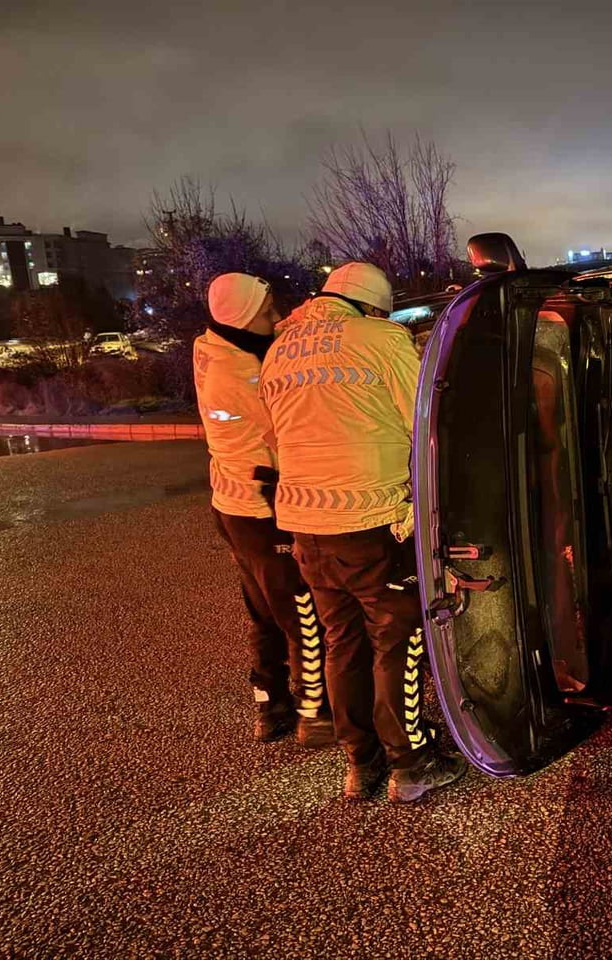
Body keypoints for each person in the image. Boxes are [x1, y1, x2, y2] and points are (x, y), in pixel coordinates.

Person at [259, 261, 466, 802]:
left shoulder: (281, 349)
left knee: (341, 641)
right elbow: (423, 419)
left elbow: (272, 434)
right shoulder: (381, 337)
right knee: (397, 641)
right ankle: (412, 764)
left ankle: (361, 763)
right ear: (373, 306)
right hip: (373, 519)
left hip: (306, 523)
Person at [194, 273, 333, 746]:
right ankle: (315, 712)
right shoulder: (238, 375)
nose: (276, 316)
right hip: (261, 507)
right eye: (269, 308)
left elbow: (274, 334)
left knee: (264, 612)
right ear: (244, 314)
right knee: (300, 610)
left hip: (233, 506)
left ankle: (270, 706)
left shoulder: (219, 347)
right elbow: (286, 430)